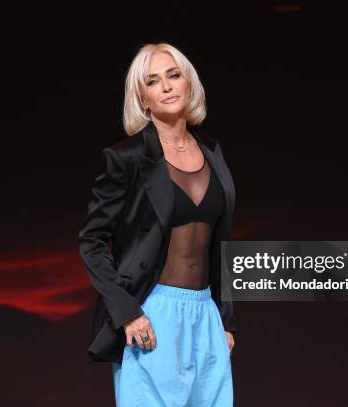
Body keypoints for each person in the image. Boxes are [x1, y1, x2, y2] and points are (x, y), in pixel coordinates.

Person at [78, 42, 236, 406]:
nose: (166, 86)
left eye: (173, 75)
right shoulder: (126, 158)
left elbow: (220, 243)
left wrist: (224, 318)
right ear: (143, 99)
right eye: (153, 81)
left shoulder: (213, 152)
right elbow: (92, 240)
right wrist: (128, 314)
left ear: (188, 84)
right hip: (152, 313)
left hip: (206, 316)